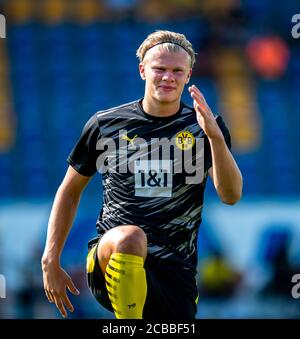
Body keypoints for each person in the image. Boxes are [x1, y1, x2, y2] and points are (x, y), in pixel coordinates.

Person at [41, 30, 243, 320]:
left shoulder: (204, 128)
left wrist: (216, 138)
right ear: (142, 70)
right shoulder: (106, 124)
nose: (167, 77)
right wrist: (51, 258)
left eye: (177, 71)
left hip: (176, 269)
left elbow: (231, 195)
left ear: (188, 76)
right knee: (130, 238)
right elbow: (69, 191)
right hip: (109, 257)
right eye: (159, 69)